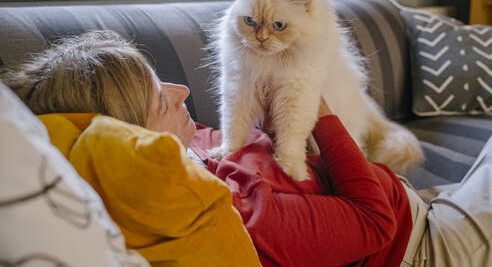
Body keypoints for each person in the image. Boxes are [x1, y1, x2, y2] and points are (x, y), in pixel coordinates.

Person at [2, 30, 491, 267]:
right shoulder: (236, 210)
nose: (182, 91)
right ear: (136, 141)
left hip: (410, 200)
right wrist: (319, 113)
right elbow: (372, 223)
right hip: (424, 244)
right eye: (160, 98)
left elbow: (270, 156)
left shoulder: (195, 145)